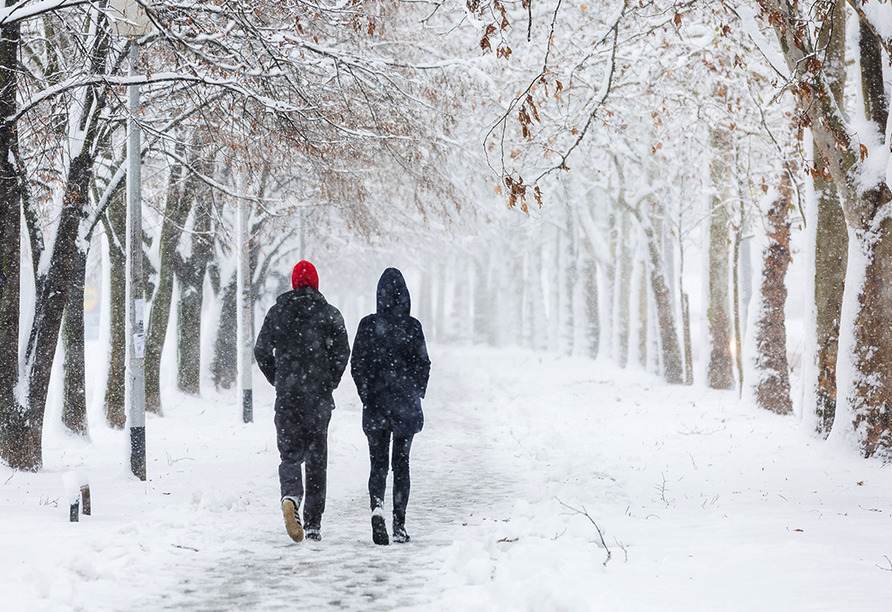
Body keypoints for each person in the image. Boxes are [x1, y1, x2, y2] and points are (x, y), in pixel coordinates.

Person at [254, 260, 350, 543]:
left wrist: (279, 378)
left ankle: (290, 496)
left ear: (294, 283)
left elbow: (260, 350)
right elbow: (342, 354)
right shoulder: (330, 314)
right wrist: (328, 381)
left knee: (290, 455)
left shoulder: (277, 312)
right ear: (316, 283)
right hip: (317, 399)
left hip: (287, 397)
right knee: (317, 460)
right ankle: (313, 524)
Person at [351, 268, 431, 545]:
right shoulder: (413, 327)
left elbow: (357, 364)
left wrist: (366, 393)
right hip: (405, 406)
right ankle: (399, 523)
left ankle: (377, 508)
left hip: (376, 405)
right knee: (402, 464)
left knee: (378, 465)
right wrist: (417, 391)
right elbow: (424, 364)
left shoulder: (368, 325)